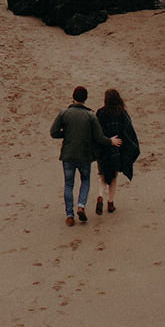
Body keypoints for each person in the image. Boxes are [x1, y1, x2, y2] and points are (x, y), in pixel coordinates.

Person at [50, 86, 118, 226]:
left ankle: (69, 215)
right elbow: (99, 137)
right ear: (85, 99)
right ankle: (81, 205)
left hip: (68, 155)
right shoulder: (91, 116)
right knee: (85, 180)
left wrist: (67, 133)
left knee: (69, 184)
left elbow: (54, 132)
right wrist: (110, 141)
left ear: (73, 97)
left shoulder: (64, 113)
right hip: (84, 155)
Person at [94, 88, 140, 216]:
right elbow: (128, 133)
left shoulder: (100, 113)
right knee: (113, 176)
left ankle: (100, 197)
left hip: (103, 148)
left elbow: (96, 132)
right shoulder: (122, 113)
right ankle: (110, 203)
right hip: (116, 150)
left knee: (102, 175)